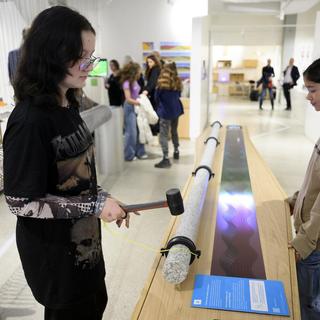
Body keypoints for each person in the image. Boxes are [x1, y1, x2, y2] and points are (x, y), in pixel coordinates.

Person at [3, 6, 132, 320]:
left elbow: (77, 176)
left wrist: (102, 198)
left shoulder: (69, 103)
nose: (90, 64)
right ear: (52, 54)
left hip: (85, 250)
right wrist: (93, 207)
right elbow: (21, 202)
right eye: (82, 56)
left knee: (94, 304)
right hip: (56, 259)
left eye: (92, 55)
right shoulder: (30, 122)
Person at [286, 58, 320, 320]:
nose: (308, 97)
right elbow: (314, 180)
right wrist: (295, 201)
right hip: (311, 239)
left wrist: (304, 243)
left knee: (308, 307)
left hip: (314, 245)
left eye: (313, 89)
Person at [154, 62, 184, 168]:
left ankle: (166, 158)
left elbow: (156, 98)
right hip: (176, 109)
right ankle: (176, 151)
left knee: (163, 134)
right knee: (174, 131)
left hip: (165, 111)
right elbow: (179, 94)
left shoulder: (161, 83)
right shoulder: (178, 81)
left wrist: (159, 107)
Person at [120, 61, 148, 161]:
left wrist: (141, 97)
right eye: (138, 71)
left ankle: (140, 152)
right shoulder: (126, 83)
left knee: (140, 129)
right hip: (130, 107)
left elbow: (135, 94)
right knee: (131, 132)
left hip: (136, 106)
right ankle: (129, 155)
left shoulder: (135, 81)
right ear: (134, 72)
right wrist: (140, 103)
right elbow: (128, 98)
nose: (140, 72)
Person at [143, 54, 161, 135]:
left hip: (154, 95)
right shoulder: (153, 69)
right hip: (153, 94)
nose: (149, 64)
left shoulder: (155, 69)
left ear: (155, 62)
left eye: (151, 62)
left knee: (153, 113)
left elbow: (152, 82)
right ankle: (155, 131)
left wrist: (146, 90)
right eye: (148, 62)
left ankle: (155, 132)